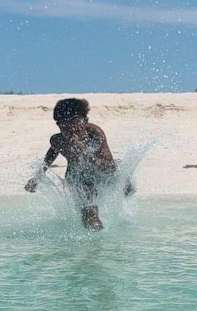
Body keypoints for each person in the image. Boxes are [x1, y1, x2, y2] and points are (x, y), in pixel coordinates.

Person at [25, 98, 131, 230]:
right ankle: (97, 245)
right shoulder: (58, 140)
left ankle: (127, 189)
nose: (72, 132)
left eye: (75, 125)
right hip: (79, 178)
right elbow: (52, 152)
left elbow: (110, 168)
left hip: (102, 170)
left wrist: (84, 152)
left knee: (124, 178)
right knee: (89, 214)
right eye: (65, 127)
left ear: (85, 121)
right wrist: (38, 177)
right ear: (58, 126)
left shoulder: (94, 133)